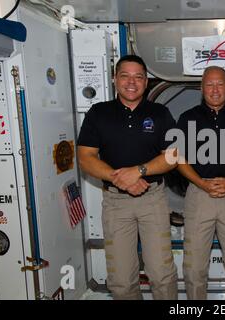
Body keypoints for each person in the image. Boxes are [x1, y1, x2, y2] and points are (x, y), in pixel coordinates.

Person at [77, 55, 178, 300]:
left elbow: (173, 155)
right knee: (121, 280)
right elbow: (85, 157)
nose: (131, 82)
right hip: (116, 202)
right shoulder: (98, 113)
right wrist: (119, 178)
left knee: (161, 274)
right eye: (125, 75)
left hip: (152, 200)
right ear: (114, 79)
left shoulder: (160, 113)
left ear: (146, 82)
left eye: (138, 77)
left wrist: (139, 171)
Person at [175, 66, 225, 299]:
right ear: (201, 88)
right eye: (209, 84)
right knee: (194, 267)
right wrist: (201, 183)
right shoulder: (187, 118)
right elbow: (178, 158)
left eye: (220, 84)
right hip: (199, 195)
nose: (215, 89)